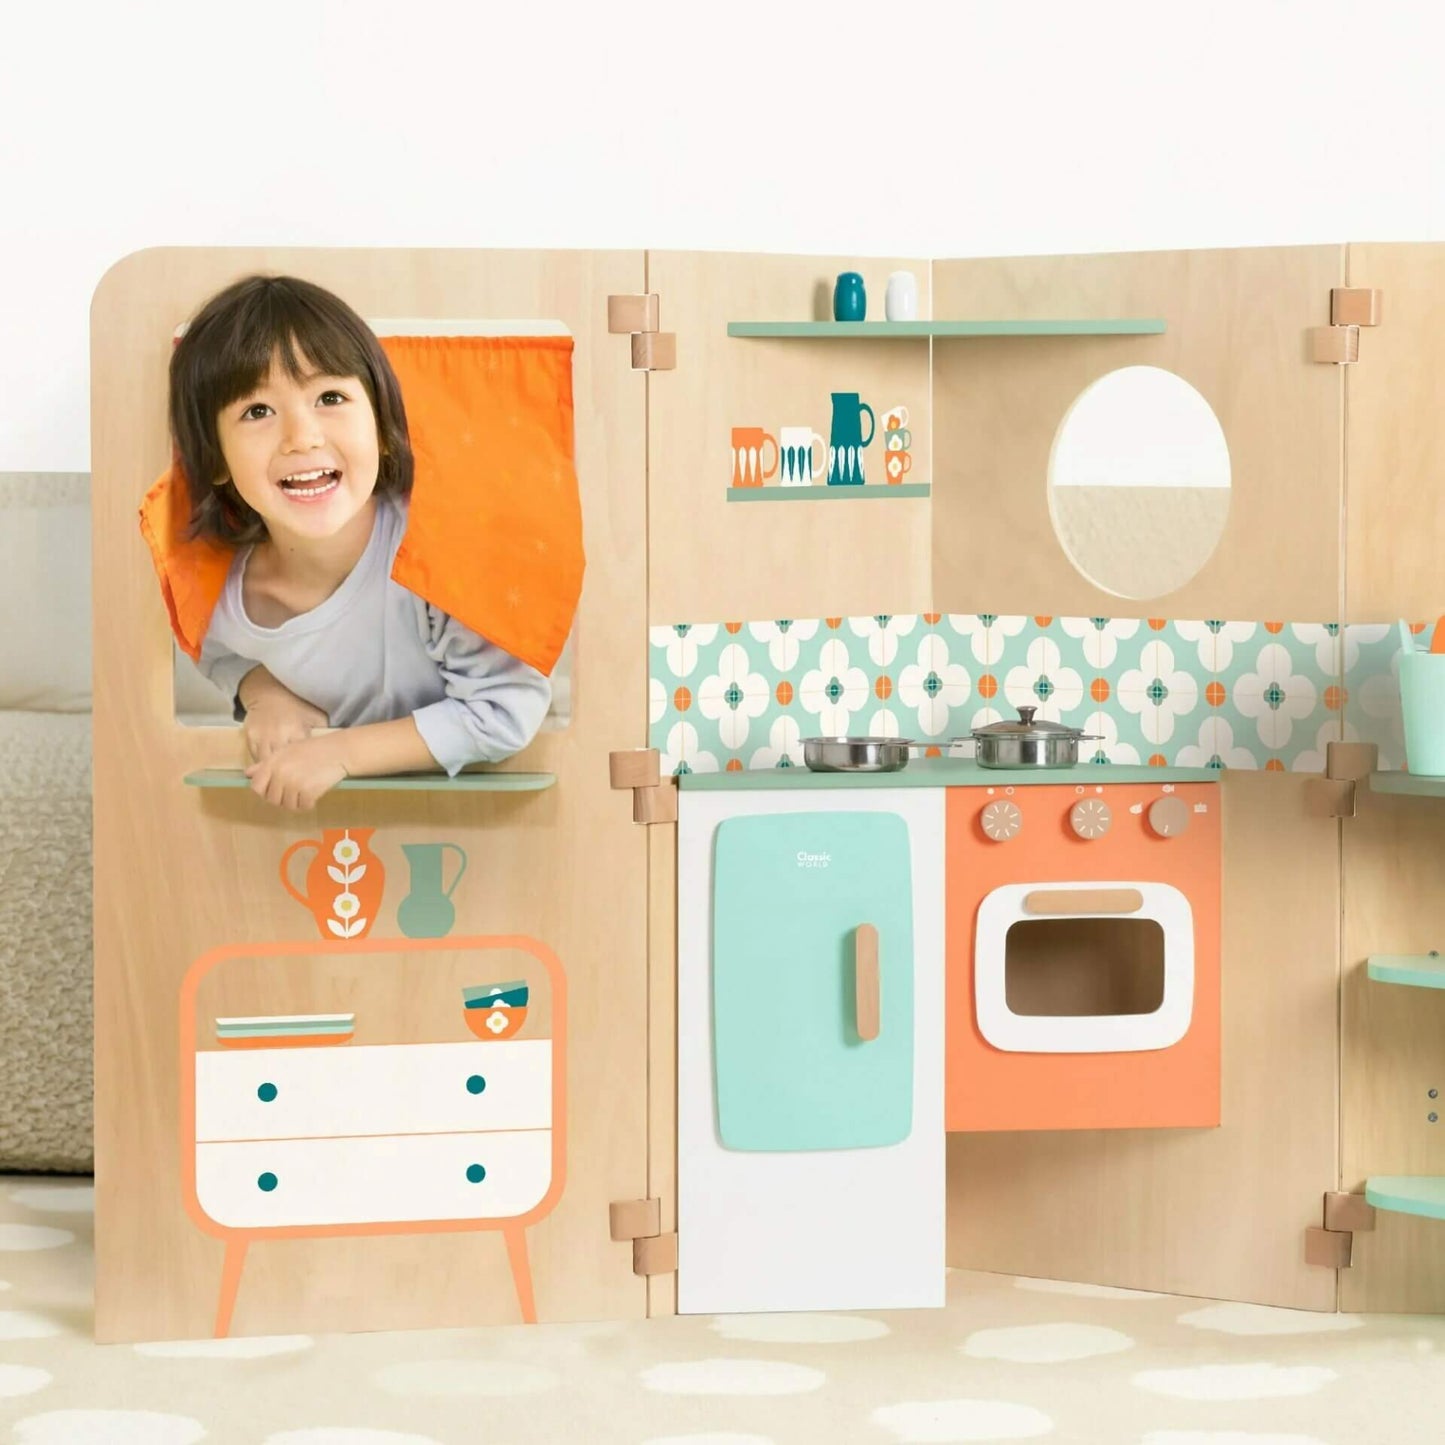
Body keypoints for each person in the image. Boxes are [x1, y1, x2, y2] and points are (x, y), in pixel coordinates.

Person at [168, 274, 551, 811]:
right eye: (257, 411)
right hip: (344, 836)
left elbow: (504, 711)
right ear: (213, 461)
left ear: (382, 424)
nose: (302, 436)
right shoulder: (221, 598)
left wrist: (340, 754)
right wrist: (265, 694)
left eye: (330, 397)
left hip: (473, 820)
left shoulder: (437, 556)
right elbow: (217, 653)